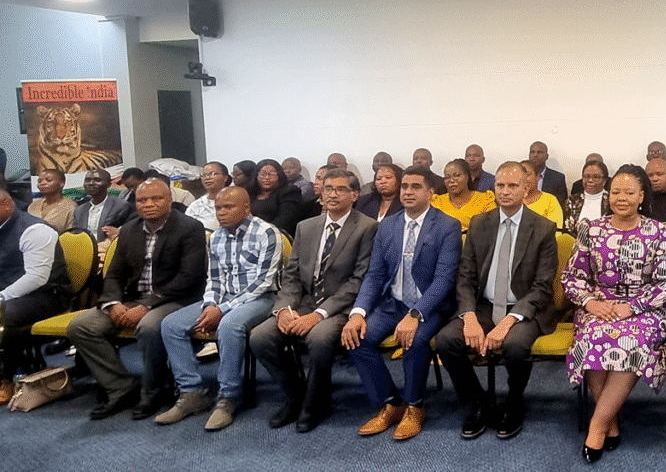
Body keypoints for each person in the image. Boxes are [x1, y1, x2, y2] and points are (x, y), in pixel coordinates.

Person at [564, 165, 666, 463]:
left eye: (629, 192)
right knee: (593, 337)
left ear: (641, 196)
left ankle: (598, 423)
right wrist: (590, 303)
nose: (621, 198)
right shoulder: (591, 229)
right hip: (600, 307)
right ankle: (612, 420)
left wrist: (632, 307)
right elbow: (572, 277)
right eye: (616, 192)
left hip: (647, 310)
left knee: (629, 341)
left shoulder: (661, 232)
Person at [435, 161, 558, 441]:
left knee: (515, 345)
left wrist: (509, 322)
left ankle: (514, 402)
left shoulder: (543, 228)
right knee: (446, 340)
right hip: (484, 306)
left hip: (525, 308)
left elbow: (541, 287)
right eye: (500, 185)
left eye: (513, 185)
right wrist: (468, 317)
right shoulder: (481, 223)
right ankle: (477, 402)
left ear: (527, 189)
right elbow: (464, 278)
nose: (505, 191)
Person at [67, 179, 207, 420]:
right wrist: (113, 303)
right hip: (131, 299)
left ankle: (151, 391)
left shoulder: (190, 227)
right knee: (80, 327)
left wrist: (147, 305)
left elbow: (189, 277)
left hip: (175, 299)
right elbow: (115, 274)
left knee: (149, 327)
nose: (149, 204)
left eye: (157, 199)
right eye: (142, 200)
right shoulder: (130, 229)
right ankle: (121, 386)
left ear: (170, 200)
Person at [250, 169, 377, 432]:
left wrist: (318, 315)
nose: (332, 194)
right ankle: (296, 396)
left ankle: (315, 403)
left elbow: (359, 280)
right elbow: (292, 275)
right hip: (303, 302)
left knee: (319, 339)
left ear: (354, 195)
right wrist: (284, 309)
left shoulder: (367, 227)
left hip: (340, 307)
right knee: (260, 337)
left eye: (340, 189)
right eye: (328, 188)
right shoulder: (306, 227)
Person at [342, 166, 462, 441]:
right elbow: (375, 274)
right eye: (405, 186)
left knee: (415, 340)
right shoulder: (388, 225)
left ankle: (415, 406)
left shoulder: (447, 226)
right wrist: (358, 312)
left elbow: (444, 280)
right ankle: (391, 402)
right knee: (356, 338)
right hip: (392, 302)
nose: (408, 191)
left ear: (431, 192)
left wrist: (416, 313)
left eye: (416, 187)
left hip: (430, 304)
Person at [157, 187, 282, 430]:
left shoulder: (267, 232)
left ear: (246, 208)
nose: (221, 213)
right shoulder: (216, 237)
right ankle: (192, 392)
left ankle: (228, 397)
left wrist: (222, 309)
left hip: (262, 299)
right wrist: (211, 304)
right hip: (224, 299)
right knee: (171, 324)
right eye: (218, 208)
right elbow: (214, 279)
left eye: (229, 207)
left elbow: (264, 282)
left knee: (229, 325)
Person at [0, 190, 72, 404]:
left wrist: (1, 297)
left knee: (6, 316)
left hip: (47, 295)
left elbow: (36, 278)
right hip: (12, 293)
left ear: (6, 207)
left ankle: (6, 378)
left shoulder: (34, 230)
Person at [73, 169, 133, 250]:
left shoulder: (121, 206)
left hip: (110, 252)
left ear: (109, 184)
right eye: (87, 180)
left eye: (97, 180)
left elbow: (130, 233)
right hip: (84, 253)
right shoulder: (79, 210)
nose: (91, 183)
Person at [430, 159, 496, 232]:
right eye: (447, 177)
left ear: (467, 177)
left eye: (457, 175)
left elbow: (492, 228)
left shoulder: (485, 200)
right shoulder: (437, 202)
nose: (451, 180)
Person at [249, 159, 303, 237]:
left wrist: (261, 234)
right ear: (256, 176)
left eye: (272, 174)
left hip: (277, 236)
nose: (267, 178)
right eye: (263, 174)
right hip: (251, 236)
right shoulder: (250, 193)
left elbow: (284, 221)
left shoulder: (289, 192)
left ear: (279, 175)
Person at [564, 160, 610, 237]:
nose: (590, 180)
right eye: (586, 176)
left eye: (596, 177)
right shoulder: (572, 200)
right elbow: (566, 229)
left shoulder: (611, 200)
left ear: (604, 180)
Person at [184, 161, 232, 230]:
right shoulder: (196, 205)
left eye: (213, 174)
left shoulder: (236, 201)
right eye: (204, 175)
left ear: (225, 178)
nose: (207, 178)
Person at [28, 168, 76, 233]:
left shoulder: (71, 207)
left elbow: (71, 235)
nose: (42, 183)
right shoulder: (33, 205)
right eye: (39, 181)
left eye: (48, 180)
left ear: (62, 183)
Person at [520, 160, 564, 228]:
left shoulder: (550, 200)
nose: (523, 179)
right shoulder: (509, 199)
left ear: (537, 176)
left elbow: (554, 231)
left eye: (527, 174)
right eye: (519, 175)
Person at [529, 141, 568, 206]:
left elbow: (561, 205)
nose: (535, 155)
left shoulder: (558, 178)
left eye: (540, 152)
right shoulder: (521, 175)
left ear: (547, 156)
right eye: (532, 152)